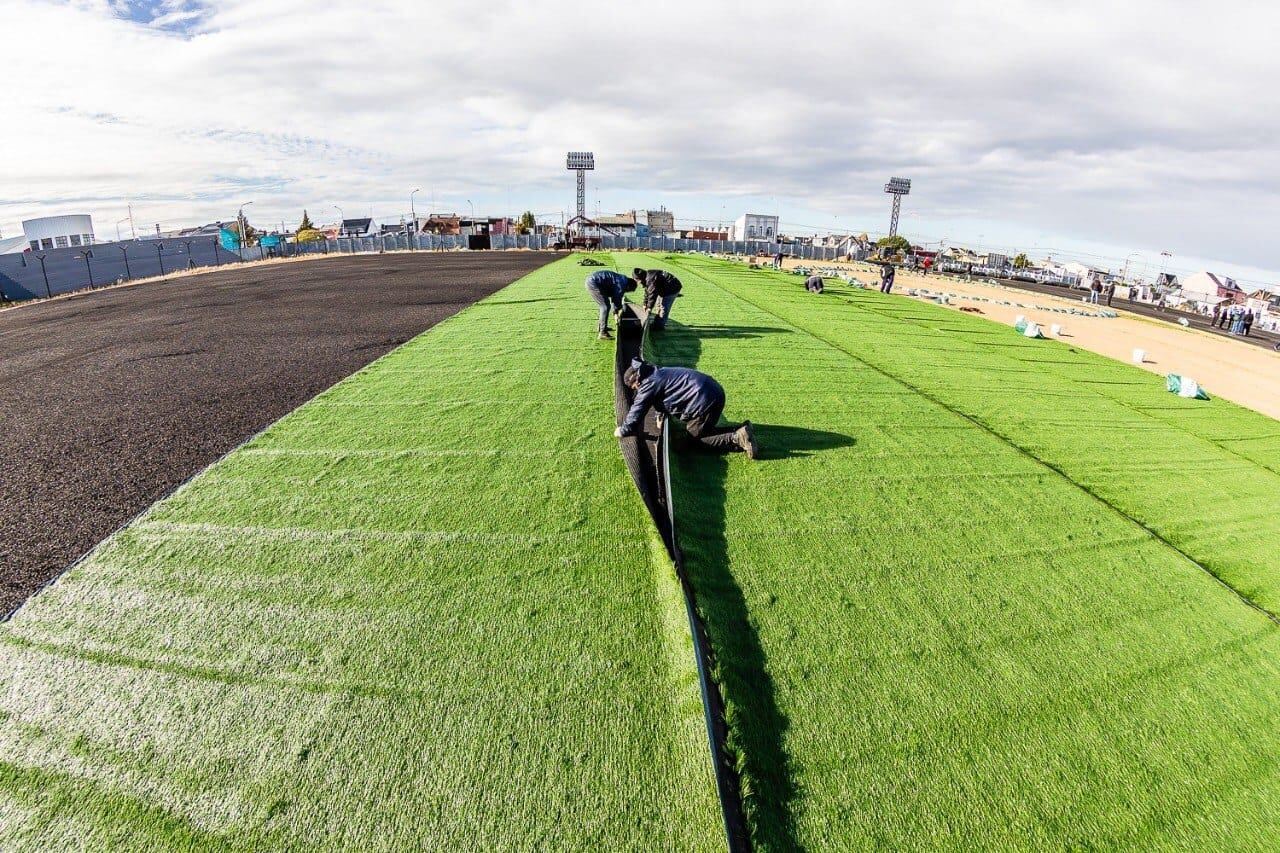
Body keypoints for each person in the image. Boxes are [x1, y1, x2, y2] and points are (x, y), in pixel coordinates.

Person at [615, 358, 758, 458]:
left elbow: (637, 410)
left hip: (704, 402)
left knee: (694, 440)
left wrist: (624, 430)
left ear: (636, 381)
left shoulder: (647, 384)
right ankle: (742, 430)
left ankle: (737, 438)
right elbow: (661, 395)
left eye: (634, 388)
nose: (636, 391)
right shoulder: (655, 372)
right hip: (714, 392)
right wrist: (660, 415)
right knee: (702, 430)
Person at [584, 269, 637, 339]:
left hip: (593, 281)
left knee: (604, 305)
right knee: (605, 306)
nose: (626, 292)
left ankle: (601, 327)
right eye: (628, 291)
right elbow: (616, 299)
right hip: (594, 283)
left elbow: (614, 298)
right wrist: (616, 313)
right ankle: (602, 333)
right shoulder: (621, 284)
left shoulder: (622, 280)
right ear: (629, 286)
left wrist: (616, 311)